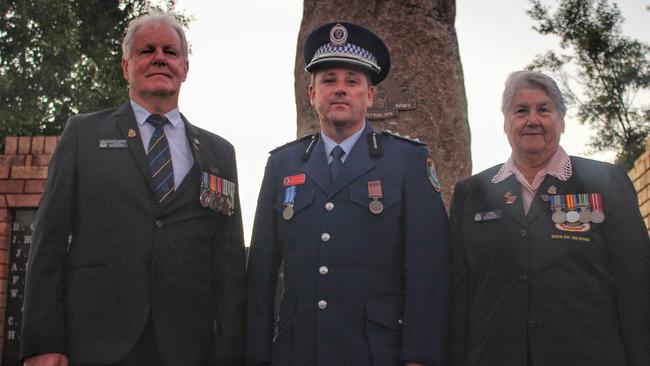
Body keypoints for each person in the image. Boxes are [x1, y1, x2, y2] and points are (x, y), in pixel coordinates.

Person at [20, 12, 246, 366]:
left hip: (188, 348)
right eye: (147, 50)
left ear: (185, 67)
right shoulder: (83, 136)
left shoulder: (219, 153)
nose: (160, 57)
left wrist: (230, 349)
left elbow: (229, 261)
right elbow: (48, 243)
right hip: (96, 343)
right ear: (126, 66)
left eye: (170, 51)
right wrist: (43, 342)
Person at [245, 22, 449, 366]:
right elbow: (261, 274)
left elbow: (429, 271)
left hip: (377, 353)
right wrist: (257, 356)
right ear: (312, 94)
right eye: (328, 80)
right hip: (298, 353)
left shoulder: (407, 162)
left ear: (370, 95)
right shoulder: (282, 165)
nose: (340, 89)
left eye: (352, 81)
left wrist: (420, 358)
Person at [448, 70, 650, 366]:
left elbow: (636, 283)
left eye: (544, 109)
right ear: (505, 123)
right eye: (520, 110)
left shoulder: (605, 181)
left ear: (562, 120)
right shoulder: (472, 192)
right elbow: (460, 293)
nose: (532, 120)